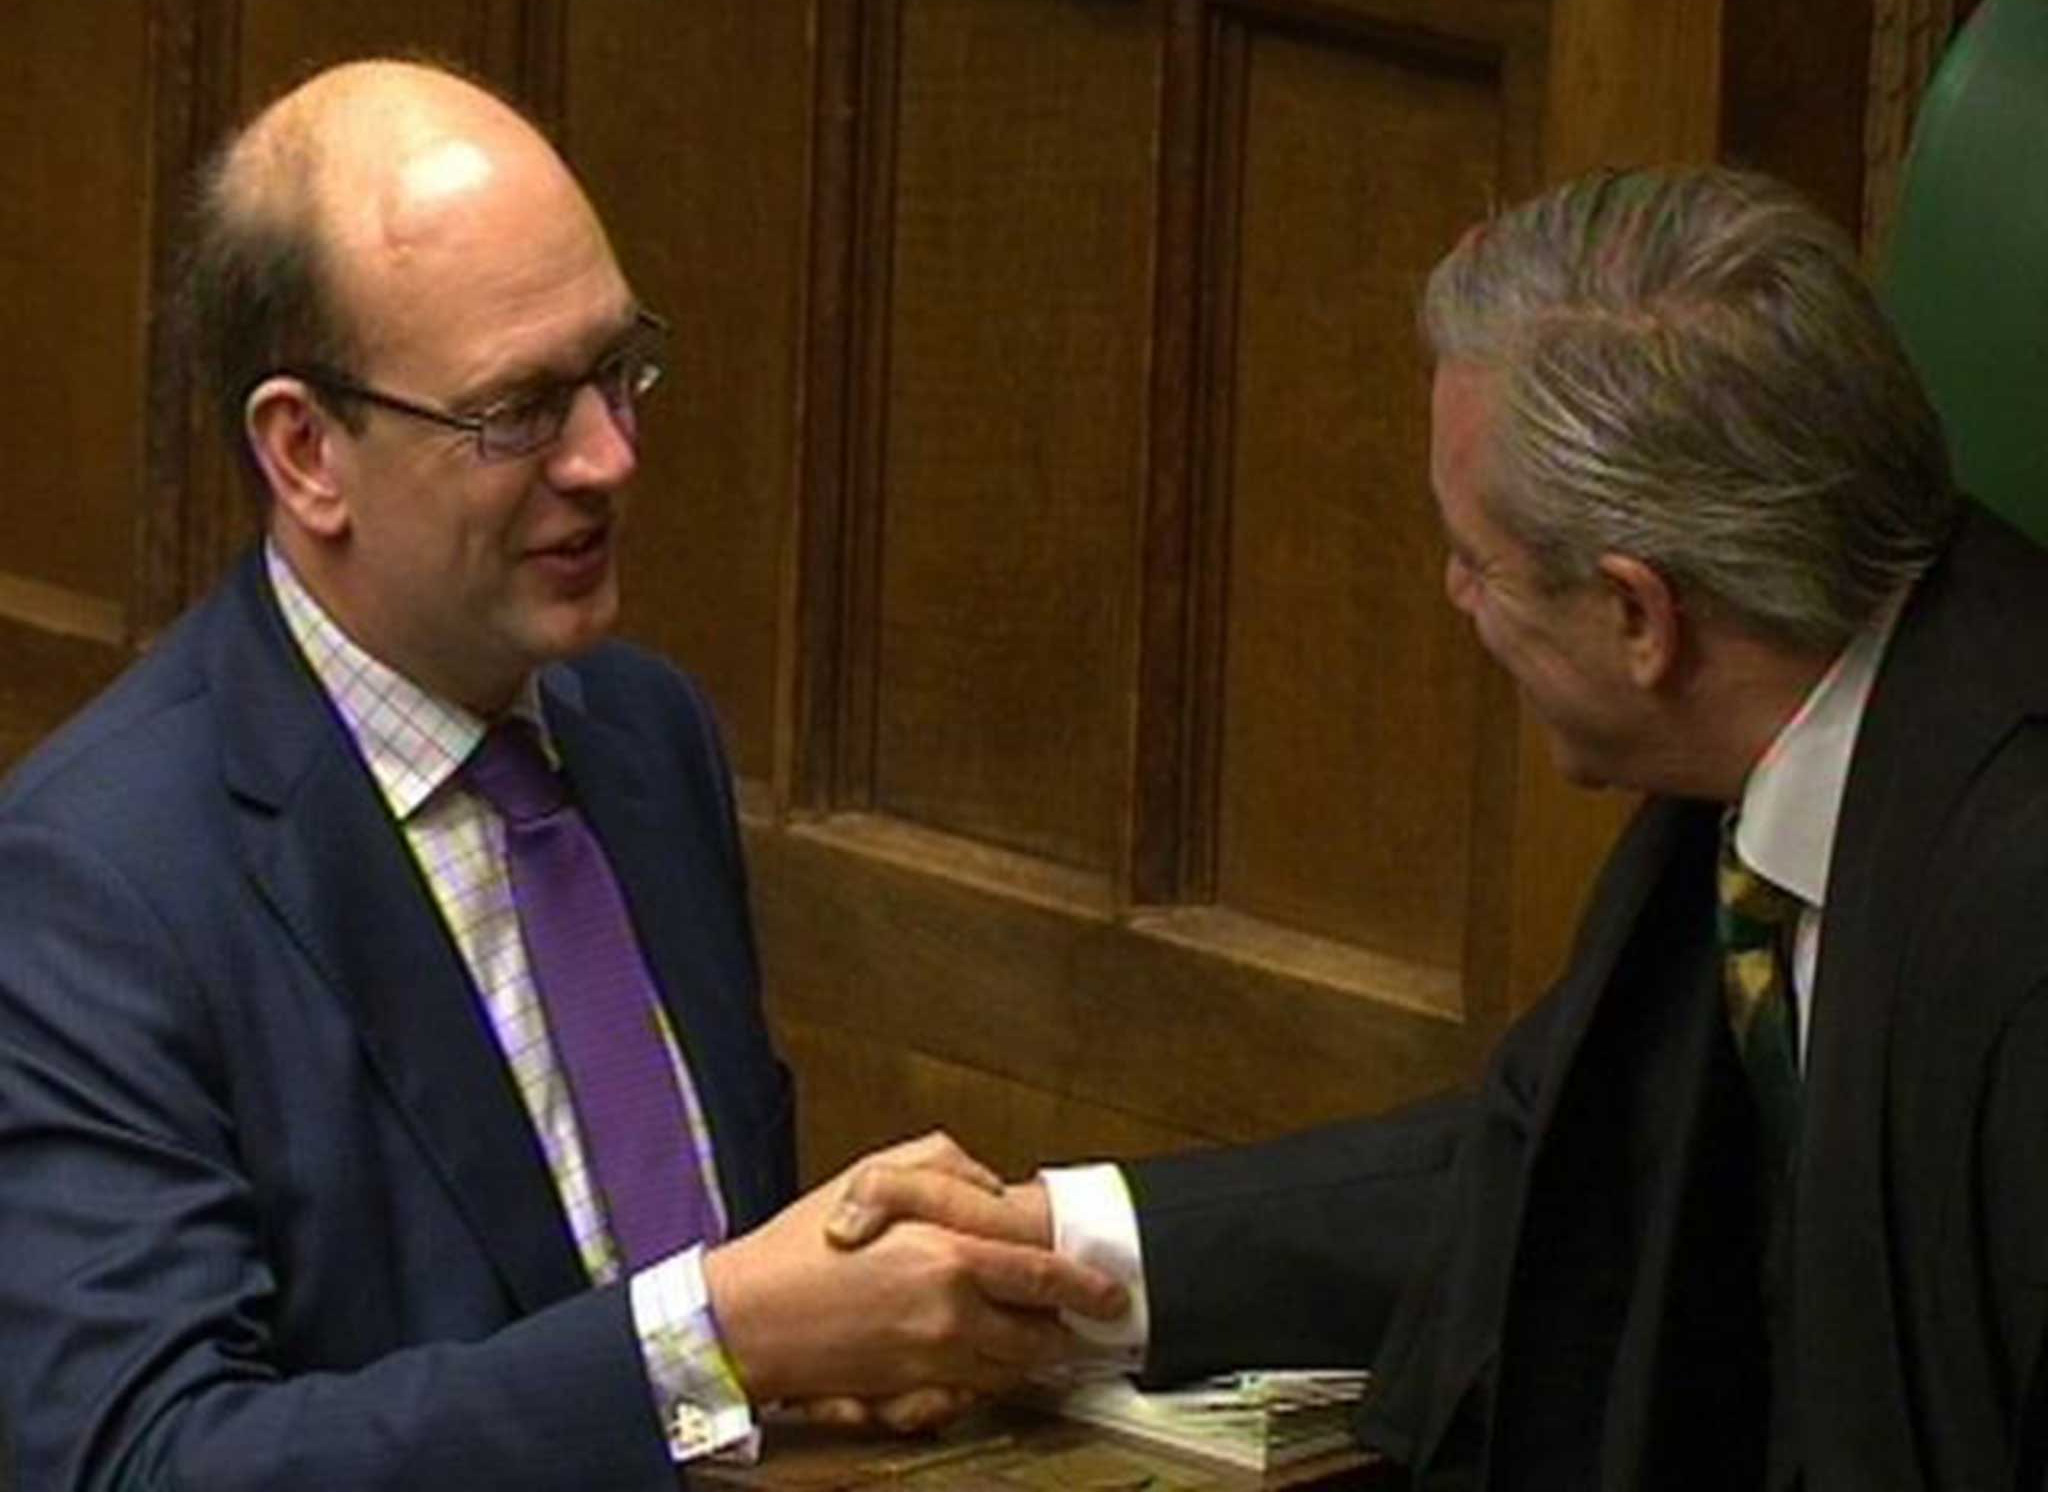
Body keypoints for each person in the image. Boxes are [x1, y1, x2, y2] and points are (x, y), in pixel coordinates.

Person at [0, 59, 1120, 1491]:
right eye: (518, 412)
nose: (609, 457)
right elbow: (149, 1461)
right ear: (305, 452)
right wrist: (719, 1343)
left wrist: (846, 1347)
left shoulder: (642, 738)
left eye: (616, 369)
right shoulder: (95, 890)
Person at [839, 166, 2048, 1488]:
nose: (1453, 596)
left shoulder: (2015, 913)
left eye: (1476, 559)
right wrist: (1051, 1252)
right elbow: (1570, 1172)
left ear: (1642, 618)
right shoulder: (1795, 750)